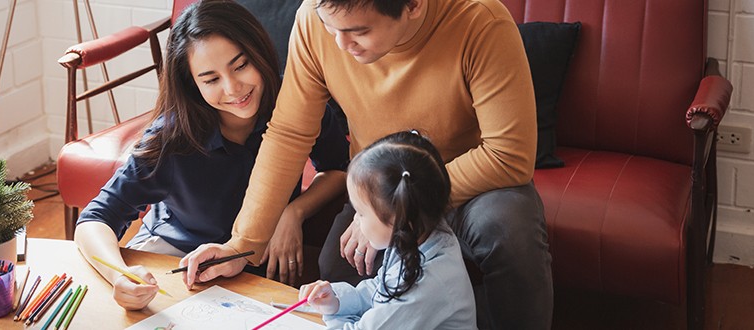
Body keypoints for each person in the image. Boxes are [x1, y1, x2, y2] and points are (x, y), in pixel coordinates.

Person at [181, 0, 552, 328]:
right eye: (331, 27)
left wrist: (394, 207)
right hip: (379, 188)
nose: (340, 44)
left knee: (508, 234)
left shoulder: (480, 22)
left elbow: (508, 155)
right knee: (339, 266)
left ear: (413, 5)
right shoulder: (313, 19)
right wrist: (241, 244)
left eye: (358, 31)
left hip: (473, 184)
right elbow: (290, 134)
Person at [75, 0, 349, 310]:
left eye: (240, 65)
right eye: (211, 79)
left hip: (253, 265)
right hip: (174, 263)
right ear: (193, 85)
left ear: (259, 51)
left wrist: (293, 212)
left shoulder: (296, 106)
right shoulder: (171, 138)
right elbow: (95, 218)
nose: (233, 88)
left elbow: (338, 169)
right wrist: (119, 275)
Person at [299, 131, 476, 329]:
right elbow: (380, 290)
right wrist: (337, 301)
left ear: (399, 219)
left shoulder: (421, 289)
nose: (356, 219)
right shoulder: (419, 236)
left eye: (362, 213)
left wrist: (333, 317)